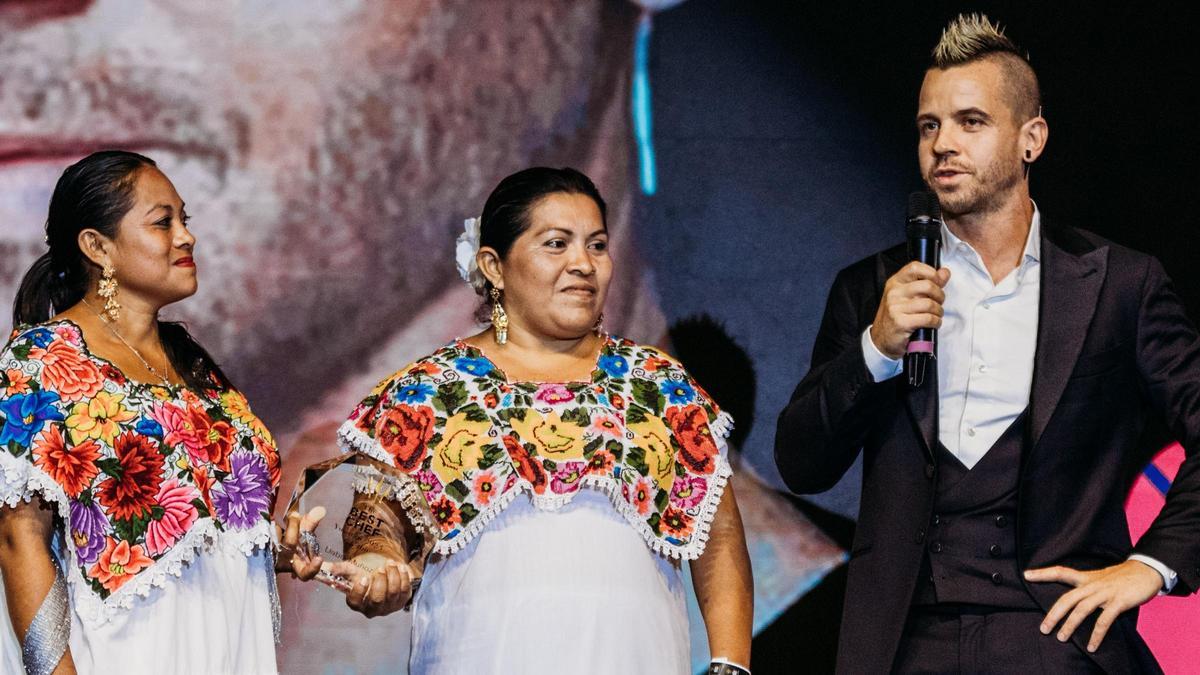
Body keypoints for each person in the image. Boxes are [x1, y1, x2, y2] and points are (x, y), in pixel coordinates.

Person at [775, 14, 1199, 674]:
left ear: (1032, 138)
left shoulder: (1121, 284)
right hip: (906, 643)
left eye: (971, 122)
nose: (943, 143)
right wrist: (875, 349)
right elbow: (801, 461)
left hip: (1055, 637)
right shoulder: (871, 289)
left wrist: (1152, 564)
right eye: (929, 125)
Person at [325, 167, 753, 674]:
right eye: (556, 244)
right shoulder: (428, 391)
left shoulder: (658, 385)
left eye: (597, 245)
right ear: (494, 266)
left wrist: (730, 667)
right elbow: (375, 520)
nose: (583, 264)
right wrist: (376, 567)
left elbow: (719, 537)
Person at [0, 151, 322, 675]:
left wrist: (272, 548)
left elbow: (193, 527)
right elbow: (20, 536)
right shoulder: (41, 362)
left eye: (184, 220)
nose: (185, 236)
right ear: (97, 247)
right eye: (162, 222)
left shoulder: (196, 370)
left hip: (231, 649)